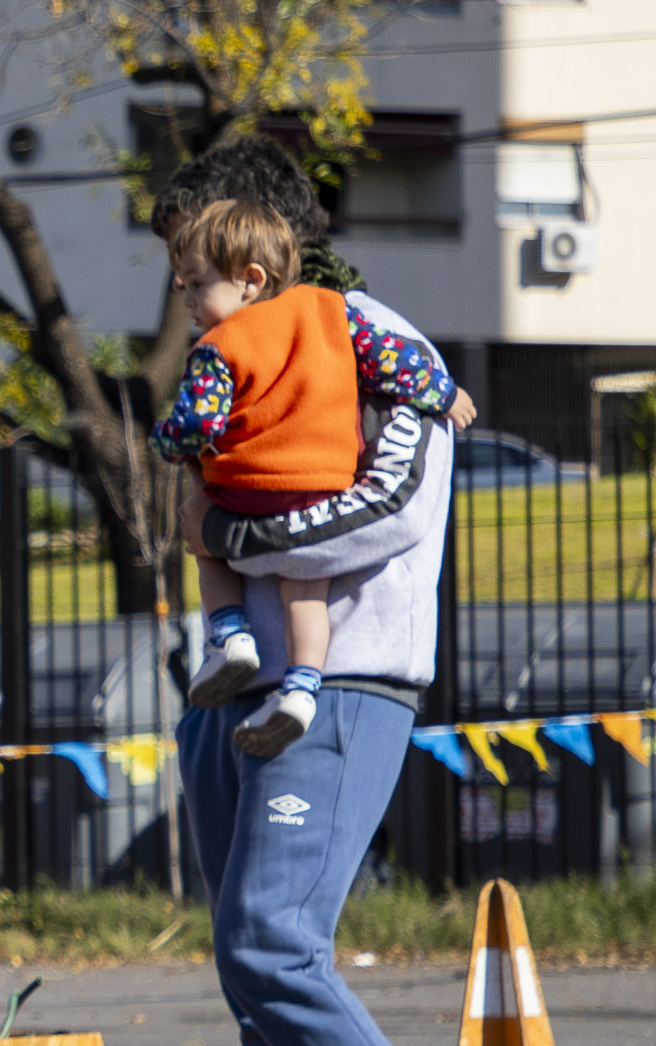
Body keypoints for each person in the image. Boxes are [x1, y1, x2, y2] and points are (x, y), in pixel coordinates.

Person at [148, 147, 526, 1046]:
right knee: (253, 971)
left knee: (272, 942)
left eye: (194, 264)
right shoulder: (227, 354)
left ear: (261, 250)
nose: (181, 293)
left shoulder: (369, 339)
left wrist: (232, 536)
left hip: (348, 679)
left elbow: (388, 510)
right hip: (240, 685)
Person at [156, 199, 464, 757]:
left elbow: (199, 422)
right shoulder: (332, 313)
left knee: (206, 545)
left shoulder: (217, 347)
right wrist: (446, 395)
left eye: (197, 285)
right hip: (325, 484)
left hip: (245, 488)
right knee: (306, 591)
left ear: (250, 280)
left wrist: (167, 443)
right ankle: (302, 688)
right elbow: (394, 363)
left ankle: (230, 636)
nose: (189, 301)